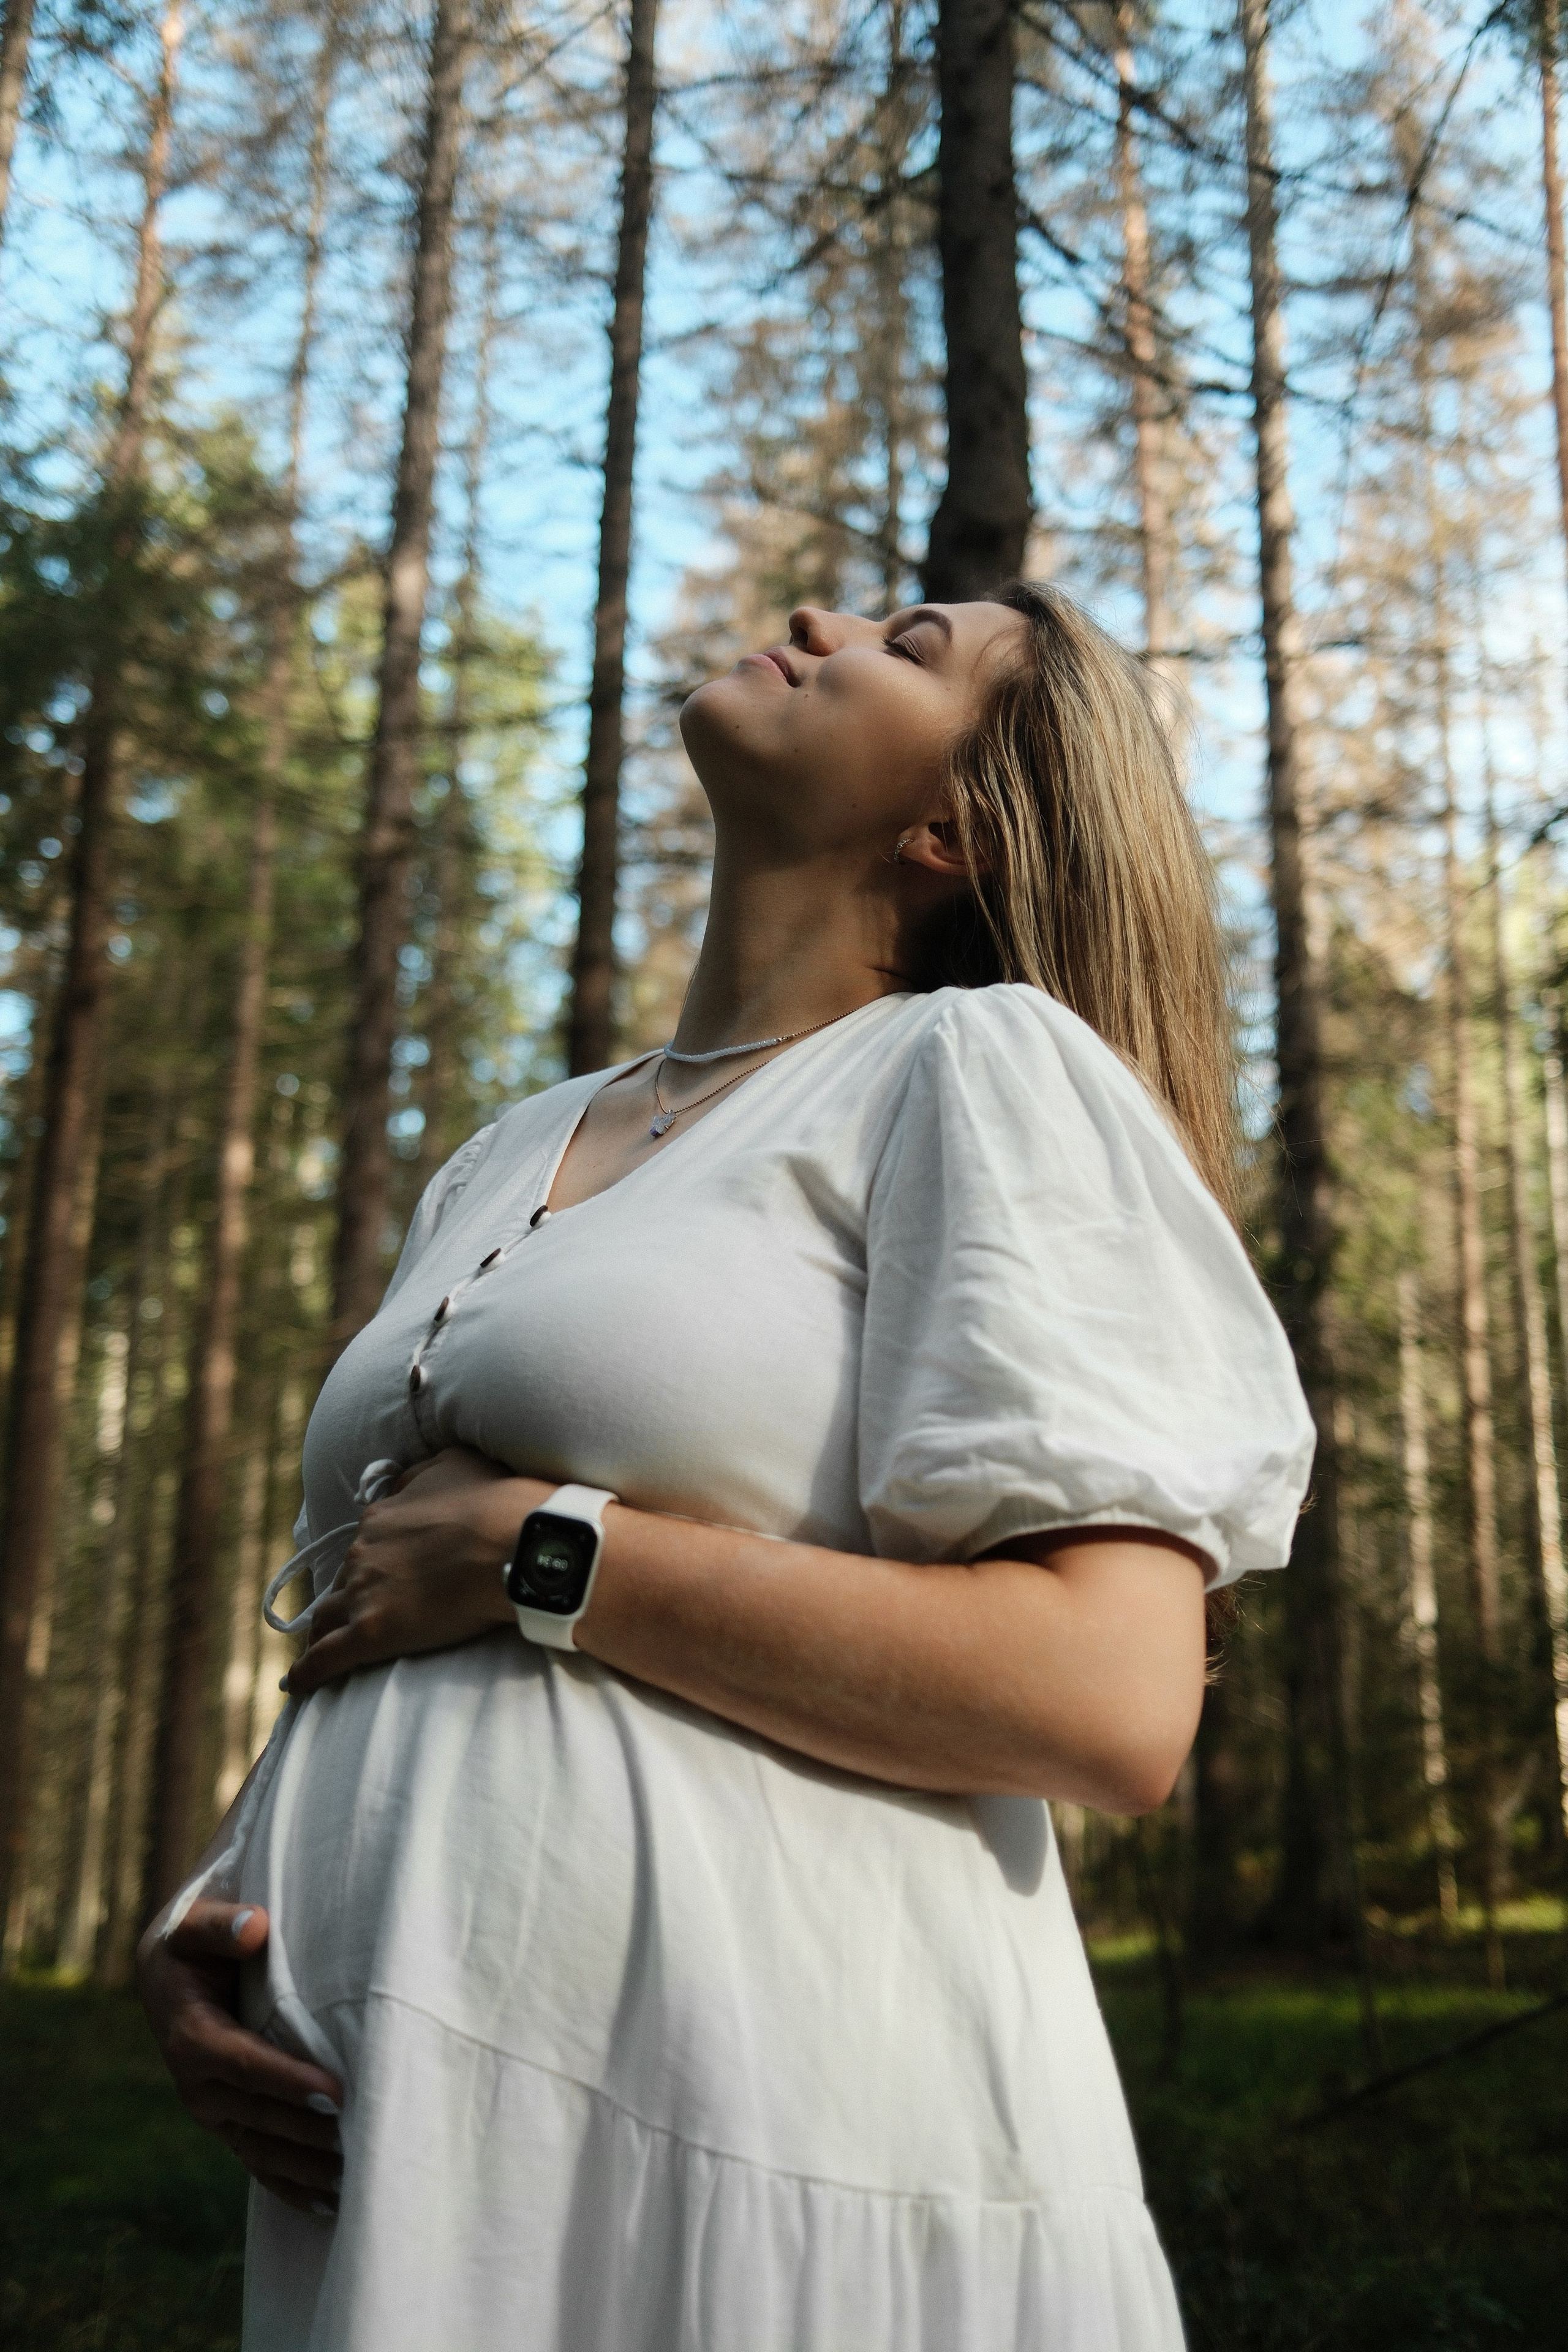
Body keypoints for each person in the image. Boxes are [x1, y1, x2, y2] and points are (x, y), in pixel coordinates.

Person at [139, 582, 1314, 2351]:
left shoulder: (981, 1070)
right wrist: (223, 1908)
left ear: (956, 826)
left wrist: (561, 1555)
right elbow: (393, 1592)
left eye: (911, 646)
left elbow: (1111, 1695)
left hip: (772, 2125)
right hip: (424, 2154)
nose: (819, 614)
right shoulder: (513, 1148)